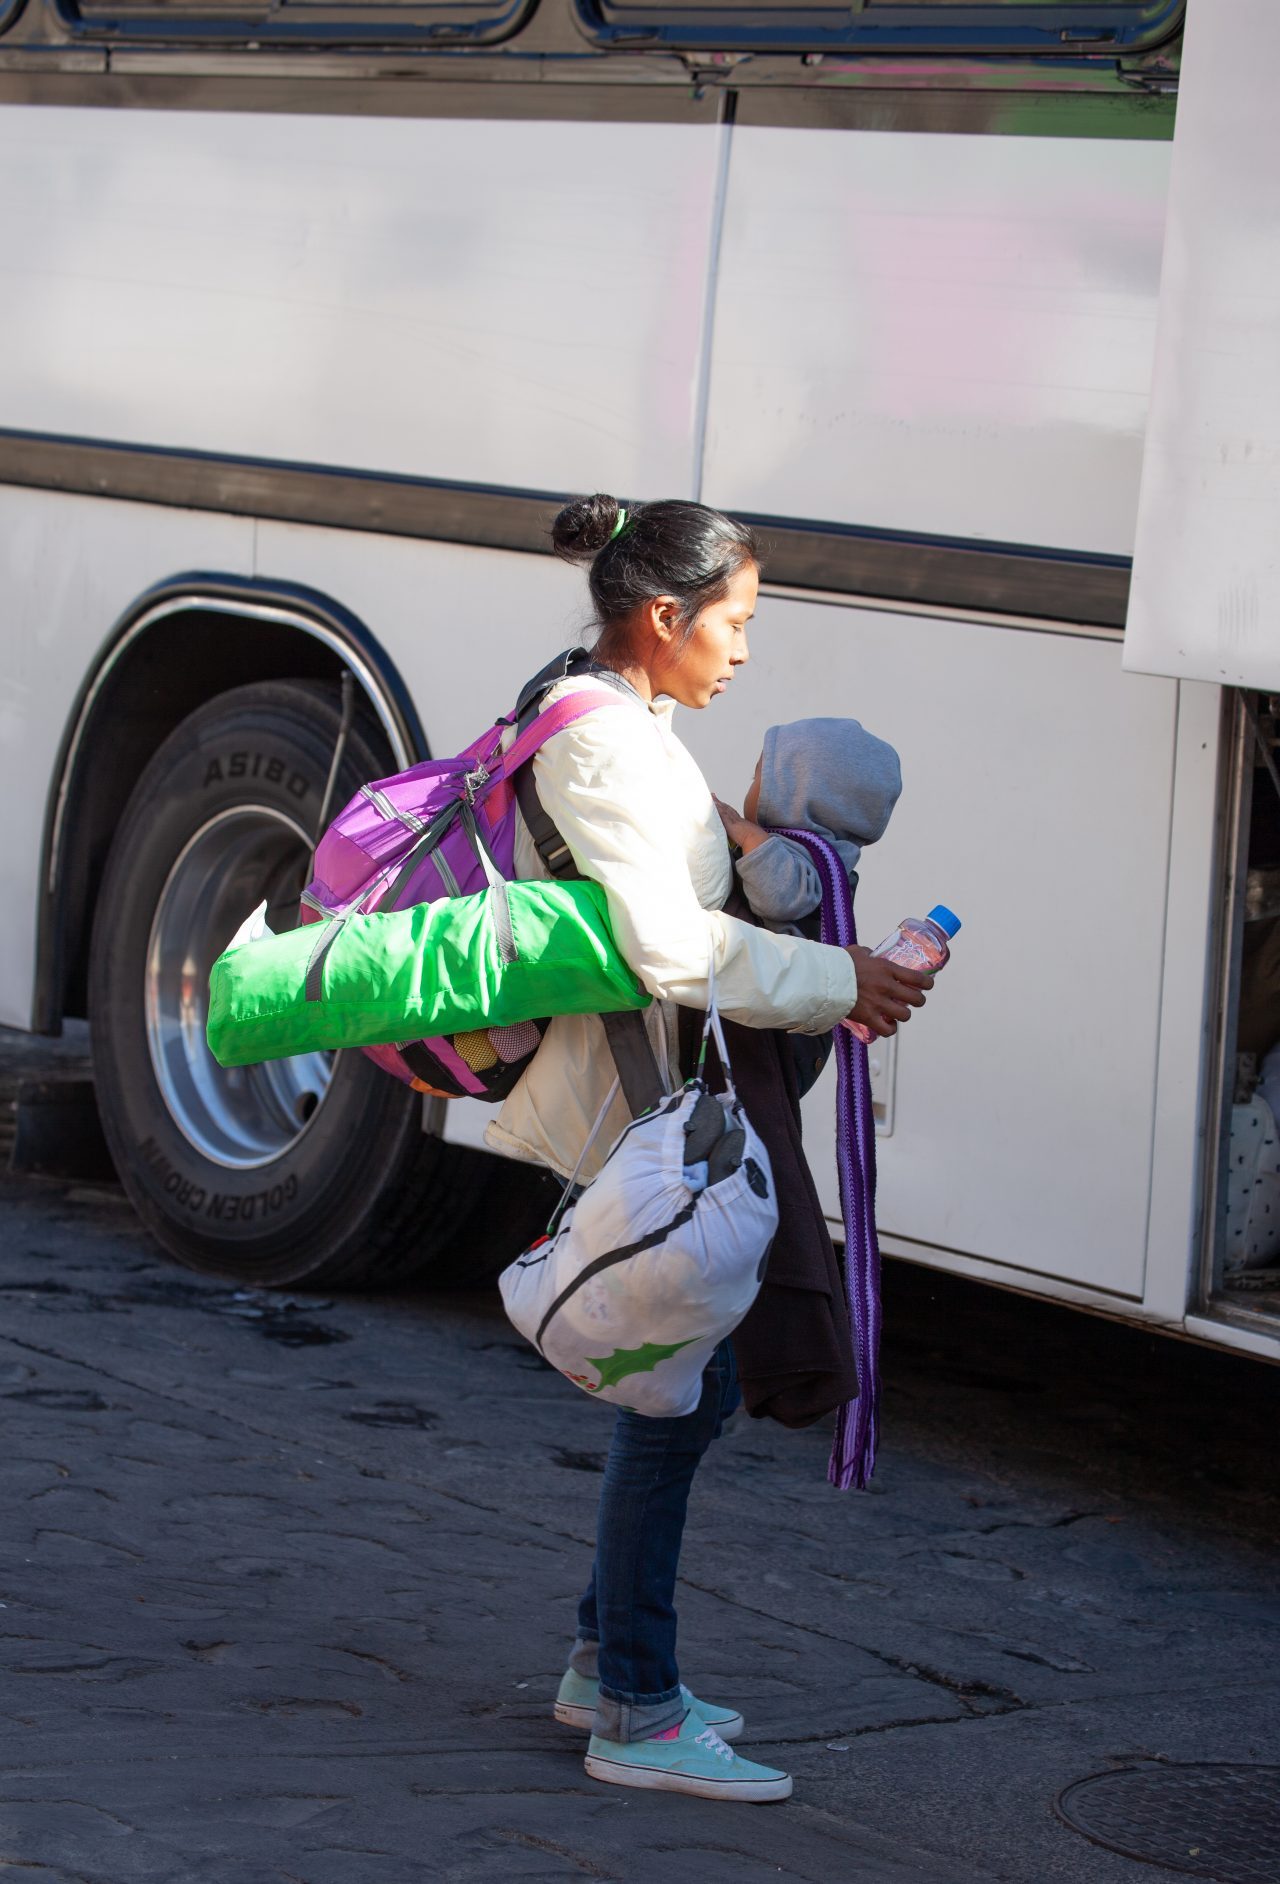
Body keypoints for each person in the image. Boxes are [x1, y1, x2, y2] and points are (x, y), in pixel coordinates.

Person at [485, 493, 931, 1803]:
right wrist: (841, 977)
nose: (743, 649)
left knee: (682, 1394)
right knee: (676, 1399)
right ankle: (632, 1703)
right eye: (734, 622)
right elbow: (670, 947)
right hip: (642, 1108)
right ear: (663, 617)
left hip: (661, 1095)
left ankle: (601, 1662)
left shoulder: (622, 719)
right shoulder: (606, 744)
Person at [715, 719, 902, 934]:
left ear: (792, 797)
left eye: (756, 776)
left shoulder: (817, 858)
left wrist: (750, 838)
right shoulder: (822, 856)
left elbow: (780, 898)